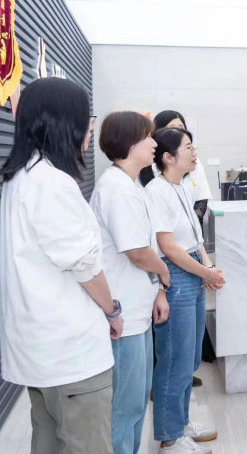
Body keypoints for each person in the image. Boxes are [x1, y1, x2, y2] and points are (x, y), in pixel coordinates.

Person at [0, 78, 123, 454]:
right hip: (70, 354)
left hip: (39, 351)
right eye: (87, 119)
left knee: (48, 441)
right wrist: (113, 310)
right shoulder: (52, 184)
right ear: (64, 123)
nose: (90, 128)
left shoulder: (20, 178)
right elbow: (85, 267)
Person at [91, 111, 172, 454]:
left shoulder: (130, 185)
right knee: (125, 409)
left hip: (137, 311)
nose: (154, 143)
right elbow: (137, 252)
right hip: (123, 317)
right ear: (128, 143)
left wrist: (158, 291)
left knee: (137, 402)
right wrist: (164, 274)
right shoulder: (117, 189)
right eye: (147, 137)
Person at [145, 127, 226, 454]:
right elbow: (168, 247)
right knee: (174, 360)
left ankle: (181, 422)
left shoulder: (180, 186)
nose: (194, 153)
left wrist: (207, 267)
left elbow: (193, 238)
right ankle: (169, 437)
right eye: (188, 147)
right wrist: (205, 271)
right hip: (176, 275)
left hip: (191, 270)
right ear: (168, 157)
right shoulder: (157, 191)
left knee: (189, 357)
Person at [140, 110, 213, 225]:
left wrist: (190, 224)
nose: (178, 132)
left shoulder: (192, 165)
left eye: (181, 127)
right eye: (172, 128)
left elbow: (201, 197)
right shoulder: (150, 173)